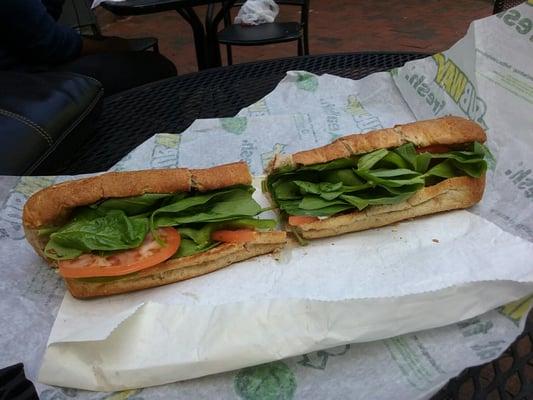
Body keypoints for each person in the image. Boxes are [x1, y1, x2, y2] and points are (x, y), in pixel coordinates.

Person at [0, 0, 177, 96]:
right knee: (154, 67)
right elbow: (50, 44)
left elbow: (33, 23)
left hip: (24, 55)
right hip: (16, 80)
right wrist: (110, 46)